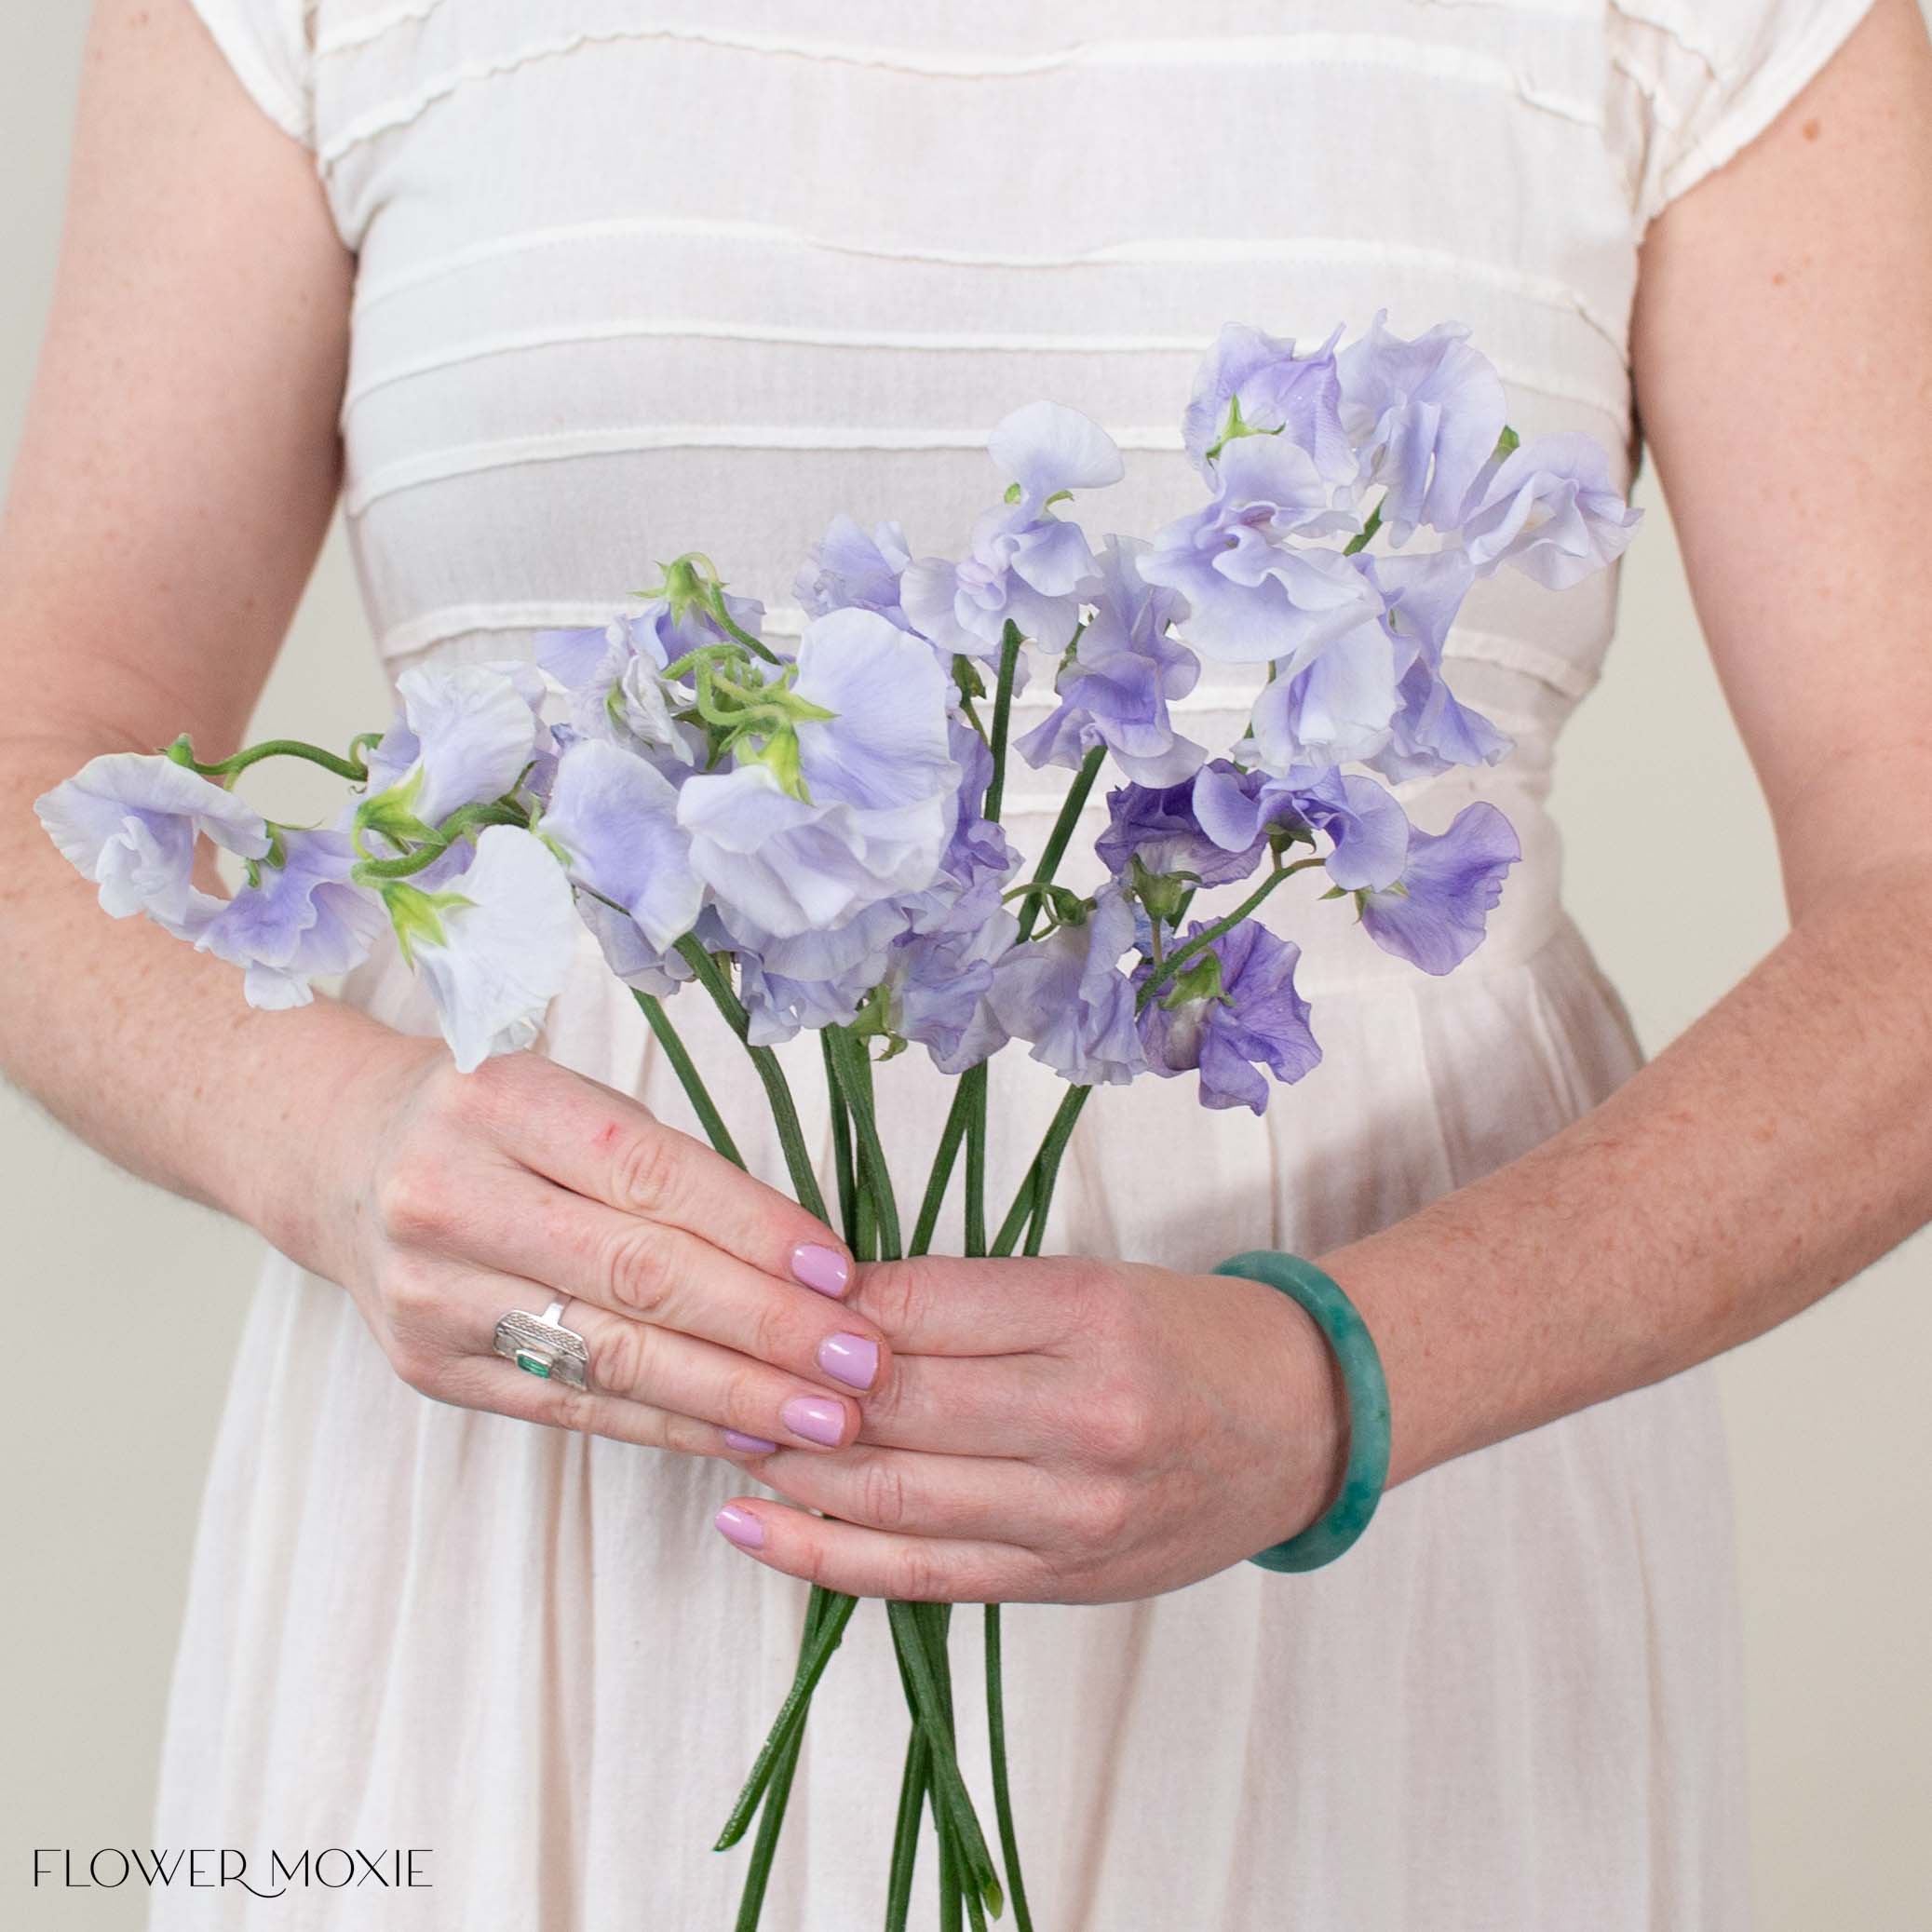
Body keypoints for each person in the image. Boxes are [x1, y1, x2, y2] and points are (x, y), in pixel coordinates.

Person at [4, 0, 1928, 1925]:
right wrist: (332, 1144)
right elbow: (38, 768)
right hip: (549, 1504)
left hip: (1381, 1531)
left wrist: (1349, 1377)